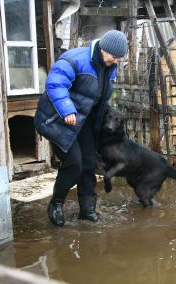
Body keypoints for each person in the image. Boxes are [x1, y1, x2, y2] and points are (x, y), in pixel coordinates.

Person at [34, 30, 128, 226]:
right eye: (114, 56)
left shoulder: (109, 67)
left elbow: (100, 98)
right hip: (57, 119)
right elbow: (55, 84)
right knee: (74, 163)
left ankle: (87, 210)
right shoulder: (75, 59)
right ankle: (56, 204)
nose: (116, 61)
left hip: (83, 121)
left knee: (88, 162)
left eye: (119, 58)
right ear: (103, 49)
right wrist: (67, 110)